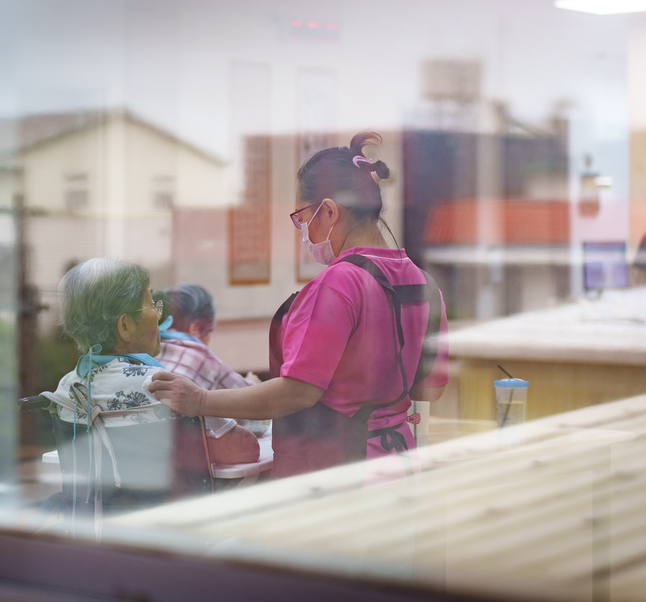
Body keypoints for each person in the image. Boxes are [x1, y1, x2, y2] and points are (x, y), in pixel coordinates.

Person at [149, 132, 449, 477]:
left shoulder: (339, 284)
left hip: (339, 474)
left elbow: (298, 391)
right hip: (400, 465)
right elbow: (431, 388)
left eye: (302, 218)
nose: (302, 229)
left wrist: (201, 401)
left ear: (329, 211)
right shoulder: (424, 284)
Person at [46, 259, 258, 470]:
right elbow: (245, 449)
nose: (159, 317)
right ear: (125, 326)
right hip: (168, 504)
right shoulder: (162, 386)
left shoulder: (67, 388)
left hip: (97, 504)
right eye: (151, 306)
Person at [156, 284, 255, 393]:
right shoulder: (200, 356)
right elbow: (249, 394)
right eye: (209, 332)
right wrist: (252, 381)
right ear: (194, 328)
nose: (208, 340)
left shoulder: (152, 349)